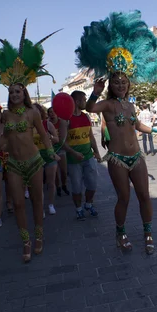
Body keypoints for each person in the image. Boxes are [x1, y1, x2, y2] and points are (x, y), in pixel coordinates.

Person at [77, 10, 157, 254]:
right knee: (124, 199)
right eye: (115, 81)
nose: (120, 84)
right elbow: (89, 108)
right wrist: (95, 91)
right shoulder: (106, 104)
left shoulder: (130, 105)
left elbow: (137, 125)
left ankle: (148, 234)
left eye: (123, 81)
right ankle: (121, 233)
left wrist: (156, 130)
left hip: (136, 157)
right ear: (111, 84)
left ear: (129, 84)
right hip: (117, 159)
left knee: (144, 197)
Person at [0, 20, 59, 263]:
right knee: (17, 203)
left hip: (35, 162)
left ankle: (39, 235)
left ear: (23, 93)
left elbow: (44, 134)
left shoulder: (33, 113)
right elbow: (5, 138)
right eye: (11, 91)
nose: (14, 94)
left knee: (37, 200)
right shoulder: (5, 115)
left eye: (18, 91)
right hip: (14, 165)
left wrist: (51, 152)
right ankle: (25, 240)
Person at [63, 91, 101, 221]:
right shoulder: (66, 119)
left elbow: (90, 136)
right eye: (84, 100)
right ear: (78, 102)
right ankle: (79, 209)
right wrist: (74, 153)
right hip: (74, 160)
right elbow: (62, 142)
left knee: (93, 185)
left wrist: (96, 152)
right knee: (77, 187)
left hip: (88, 157)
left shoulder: (86, 117)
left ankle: (88, 204)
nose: (86, 102)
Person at [33, 103, 60, 215]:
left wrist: (50, 137)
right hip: (36, 158)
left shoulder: (47, 124)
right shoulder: (28, 127)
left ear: (40, 112)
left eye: (36, 111)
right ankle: (41, 208)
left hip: (49, 156)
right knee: (38, 185)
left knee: (50, 183)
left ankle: (51, 204)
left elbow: (57, 140)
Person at [48, 107, 70, 197]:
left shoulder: (62, 122)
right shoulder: (48, 124)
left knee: (64, 171)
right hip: (52, 149)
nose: (52, 114)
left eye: (53, 112)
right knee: (55, 173)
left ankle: (64, 184)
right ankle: (58, 187)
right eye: (50, 112)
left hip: (61, 148)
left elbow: (63, 137)